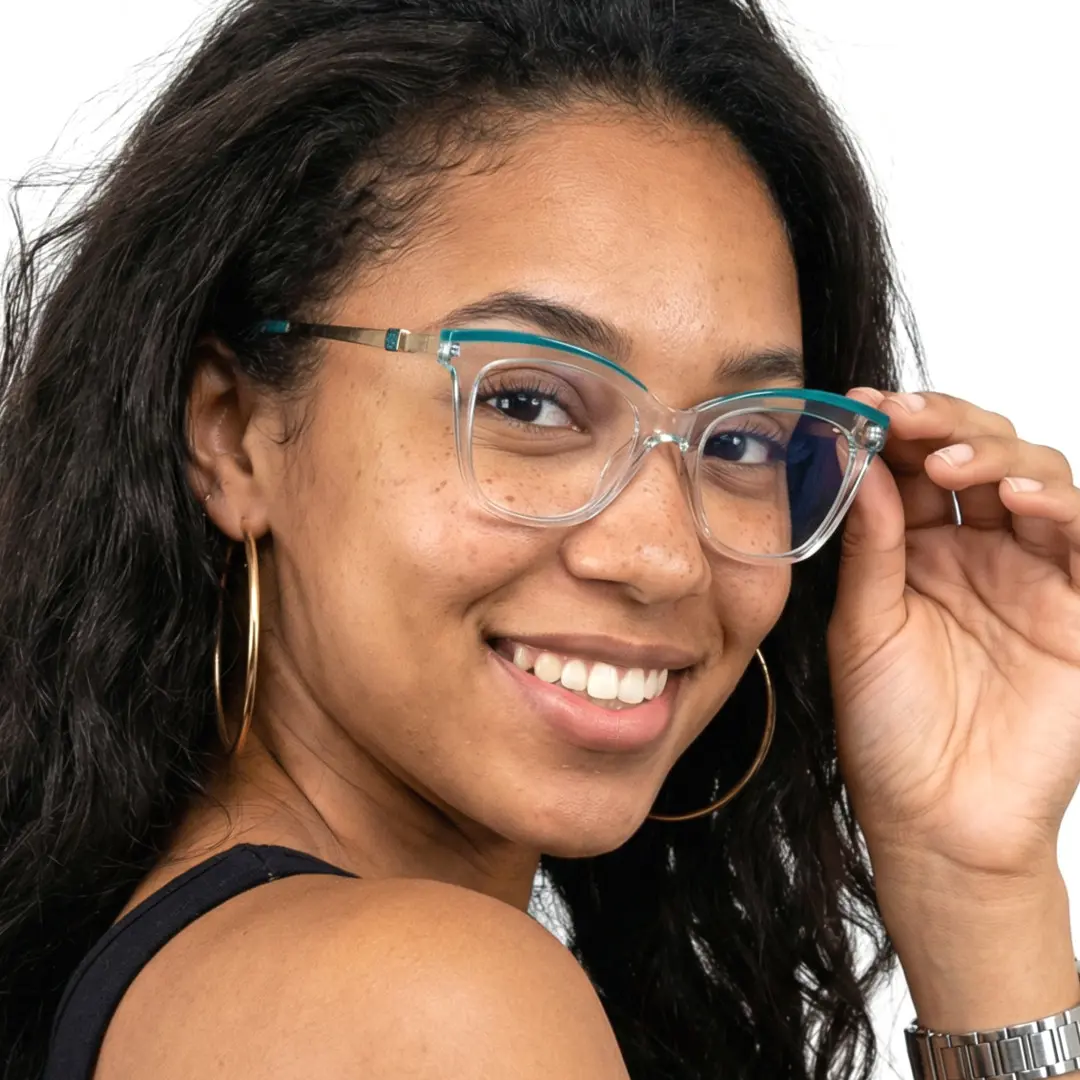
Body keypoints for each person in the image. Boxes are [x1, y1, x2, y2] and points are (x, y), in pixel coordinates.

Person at [1, 1, 1078, 1077]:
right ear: (234, 435)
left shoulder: (194, 979)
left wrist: (971, 874)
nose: (663, 556)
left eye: (744, 438)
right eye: (527, 405)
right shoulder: (430, 1004)